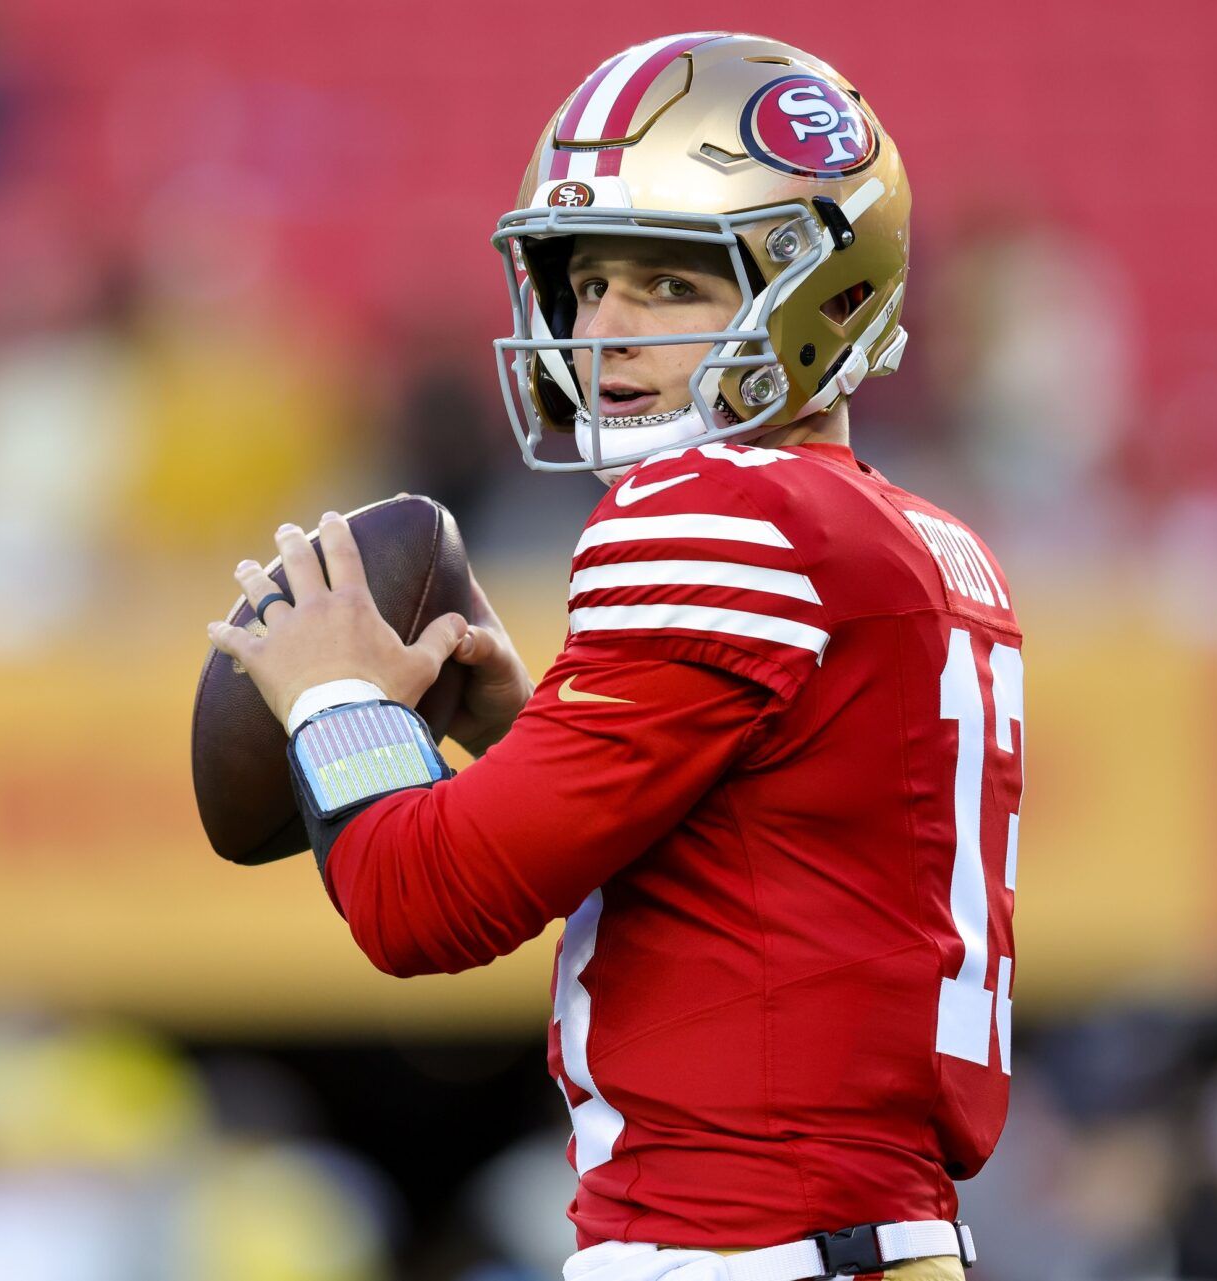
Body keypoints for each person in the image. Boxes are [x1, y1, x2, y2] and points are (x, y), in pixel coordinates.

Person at [206, 34, 1023, 1281]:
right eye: (585, 283)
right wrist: (525, 723)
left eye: (669, 282)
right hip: (872, 1239)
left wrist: (330, 694)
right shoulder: (928, 541)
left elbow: (420, 905)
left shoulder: (714, 510)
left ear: (817, 284)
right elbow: (762, 857)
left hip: (740, 1244)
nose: (605, 328)